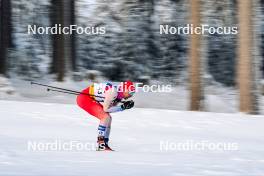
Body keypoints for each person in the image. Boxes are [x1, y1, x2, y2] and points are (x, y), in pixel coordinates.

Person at [76, 80, 135, 151]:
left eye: (133, 93)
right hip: (84, 98)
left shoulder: (119, 94)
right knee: (105, 117)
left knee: (108, 118)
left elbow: (111, 108)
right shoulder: (113, 92)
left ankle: (105, 143)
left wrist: (123, 106)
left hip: (89, 97)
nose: (131, 95)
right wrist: (122, 107)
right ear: (125, 90)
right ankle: (101, 144)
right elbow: (106, 109)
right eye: (131, 92)